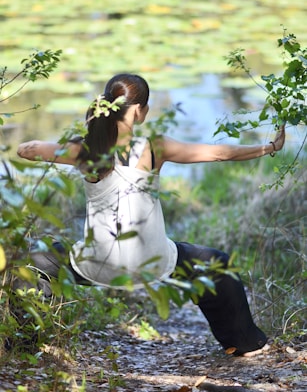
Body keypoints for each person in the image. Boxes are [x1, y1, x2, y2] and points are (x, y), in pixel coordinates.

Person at [17, 73, 285, 356]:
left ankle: (24, 344)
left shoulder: (85, 150)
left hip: (97, 263)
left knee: (33, 261)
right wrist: (268, 147)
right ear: (139, 110)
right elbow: (220, 153)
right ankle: (244, 344)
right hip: (152, 262)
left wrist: (76, 140)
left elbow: (27, 150)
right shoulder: (155, 147)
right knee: (217, 265)